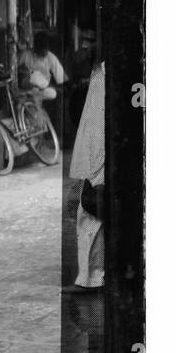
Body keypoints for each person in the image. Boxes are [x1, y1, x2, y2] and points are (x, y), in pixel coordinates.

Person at [66, 61, 105, 294]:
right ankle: (93, 274)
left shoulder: (101, 75)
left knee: (92, 215)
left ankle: (94, 275)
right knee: (92, 213)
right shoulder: (100, 75)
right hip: (97, 152)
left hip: (99, 152)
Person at [19, 31, 68, 108]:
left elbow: (62, 79)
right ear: (35, 48)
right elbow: (18, 71)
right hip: (26, 85)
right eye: (41, 51)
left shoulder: (51, 58)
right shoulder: (26, 55)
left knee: (53, 93)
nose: (44, 53)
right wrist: (25, 73)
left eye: (45, 49)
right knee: (35, 74)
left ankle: (31, 98)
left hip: (39, 91)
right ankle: (29, 96)